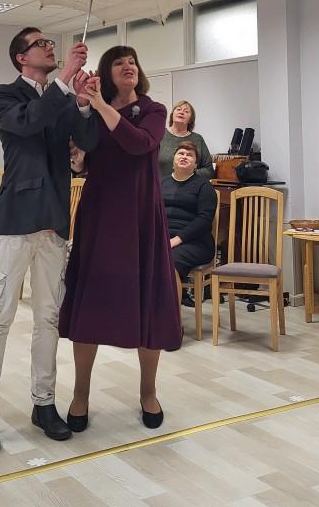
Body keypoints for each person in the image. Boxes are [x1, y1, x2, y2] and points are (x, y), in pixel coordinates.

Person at [0, 28, 98, 453]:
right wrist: (65, 80)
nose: (50, 46)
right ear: (21, 58)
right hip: (16, 221)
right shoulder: (1, 96)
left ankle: (44, 403)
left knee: (48, 319)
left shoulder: (61, 96)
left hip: (55, 222)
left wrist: (84, 103)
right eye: (41, 43)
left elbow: (87, 143)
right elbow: (28, 123)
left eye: (50, 43)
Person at [60, 46, 182, 434]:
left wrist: (100, 105)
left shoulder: (154, 110)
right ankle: (80, 394)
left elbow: (139, 144)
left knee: (149, 302)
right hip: (101, 213)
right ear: (107, 72)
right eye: (118, 62)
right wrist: (79, 156)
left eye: (132, 62)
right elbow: (85, 158)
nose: (128, 66)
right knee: (91, 302)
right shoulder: (93, 113)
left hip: (142, 214)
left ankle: (148, 392)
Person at [162, 141, 218, 292]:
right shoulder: (160, 184)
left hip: (195, 243)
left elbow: (204, 220)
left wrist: (176, 240)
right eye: (181, 153)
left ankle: (169, 305)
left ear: (195, 165)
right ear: (173, 160)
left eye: (190, 155)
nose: (184, 156)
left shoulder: (204, 186)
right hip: (163, 240)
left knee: (167, 260)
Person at [158, 100, 214, 179]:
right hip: (161, 185)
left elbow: (209, 171)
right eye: (178, 109)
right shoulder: (159, 134)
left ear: (191, 119)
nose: (181, 112)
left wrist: (188, 173)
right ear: (172, 115)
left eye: (186, 111)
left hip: (190, 185)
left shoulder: (198, 139)